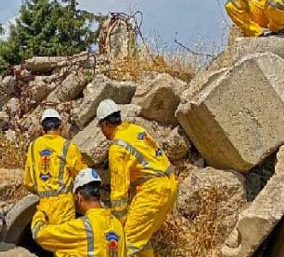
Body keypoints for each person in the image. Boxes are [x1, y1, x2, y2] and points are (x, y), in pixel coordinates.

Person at [96, 99, 178, 257]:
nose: (102, 131)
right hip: (170, 186)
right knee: (140, 239)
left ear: (105, 124)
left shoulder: (117, 148)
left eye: (100, 127)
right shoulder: (136, 130)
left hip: (153, 192)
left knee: (124, 243)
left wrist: (119, 220)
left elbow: (119, 191)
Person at [32, 168, 127, 257]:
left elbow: (40, 234)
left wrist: (40, 213)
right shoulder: (117, 225)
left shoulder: (83, 227)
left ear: (80, 197)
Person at [24, 108, 87, 225]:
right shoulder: (68, 146)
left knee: (48, 241)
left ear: (43, 130)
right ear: (61, 127)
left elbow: (28, 182)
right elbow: (83, 175)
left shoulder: (33, 147)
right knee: (65, 240)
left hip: (43, 208)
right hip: (64, 207)